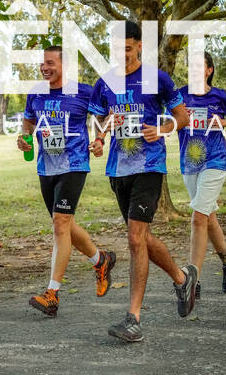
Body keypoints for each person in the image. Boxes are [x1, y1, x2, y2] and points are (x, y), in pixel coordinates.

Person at [89, 21, 197, 342]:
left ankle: (133, 318)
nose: (121, 54)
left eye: (126, 48)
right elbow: (99, 120)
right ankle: (182, 279)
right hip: (118, 169)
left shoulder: (157, 79)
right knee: (142, 238)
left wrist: (161, 129)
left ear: (139, 46)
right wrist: (99, 139)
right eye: (116, 49)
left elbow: (182, 116)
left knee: (135, 239)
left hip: (150, 165)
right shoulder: (104, 83)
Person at [17, 46, 116, 318]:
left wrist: (99, 139)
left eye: (50, 63)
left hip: (74, 164)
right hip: (46, 166)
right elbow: (29, 121)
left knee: (61, 223)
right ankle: (100, 260)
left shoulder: (83, 92)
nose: (44, 68)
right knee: (64, 224)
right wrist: (24, 137)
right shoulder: (36, 93)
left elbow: (105, 115)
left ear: (65, 65)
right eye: (42, 64)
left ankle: (52, 294)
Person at [178, 52, 226, 298]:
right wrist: (177, 116)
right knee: (208, 217)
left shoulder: (219, 96)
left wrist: (222, 122)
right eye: (191, 66)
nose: (194, 70)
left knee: (198, 218)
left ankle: (193, 281)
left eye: (199, 66)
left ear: (209, 70)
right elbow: (168, 119)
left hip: (215, 161)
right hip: (190, 163)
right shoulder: (180, 96)